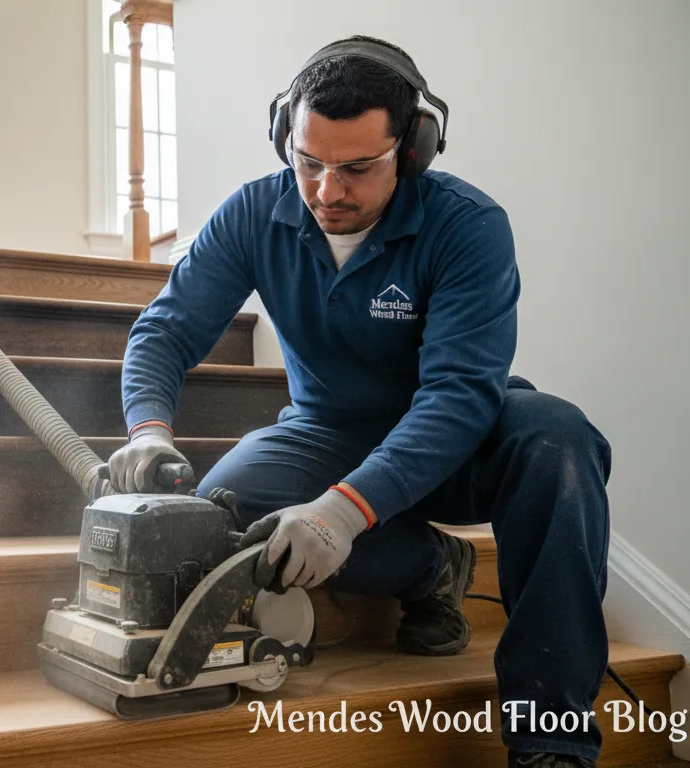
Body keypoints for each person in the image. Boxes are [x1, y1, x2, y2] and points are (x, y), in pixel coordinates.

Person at [109, 35, 613, 768]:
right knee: (223, 509)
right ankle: (430, 570)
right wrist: (149, 430)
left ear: (413, 149)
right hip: (327, 431)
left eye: (356, 169)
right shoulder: (255, 213)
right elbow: (166, 328)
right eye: (308, 162)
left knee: (559, 442)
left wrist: (345, 511)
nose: (326, 191)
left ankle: (552, 743)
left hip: (459, 438)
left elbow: (458, 394)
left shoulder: (467, 226)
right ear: (286, 136)